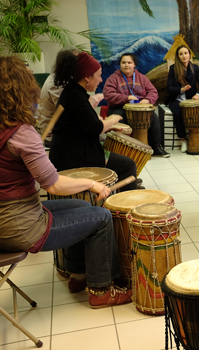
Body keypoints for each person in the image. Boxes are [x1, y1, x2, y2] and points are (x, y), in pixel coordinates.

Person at [0, 56, 132, 308]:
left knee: (81, 208)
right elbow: (53, 185)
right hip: (19, 227)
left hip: (10, 218)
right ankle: (102, 290)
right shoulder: (21, 133)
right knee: (101, 218)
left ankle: (78, 273)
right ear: (23, 88)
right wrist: (92, 184)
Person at [48, 50, 137, 191]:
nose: (101, 80)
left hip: (72, 152)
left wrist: (108, 126)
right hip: (73, 158)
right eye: (99, 76)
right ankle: (121, 207)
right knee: (129, 165)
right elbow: (96, 127)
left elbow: (85, 123)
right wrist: (113, 119)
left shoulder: (74, 92)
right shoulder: (75, 96)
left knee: (124, 163)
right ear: (87, 78)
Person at [103, 53, 169, 157]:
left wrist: (147, 100)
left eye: (129, 62)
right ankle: (122, 152)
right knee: (119, 119)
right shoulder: (113, 78)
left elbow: (153, 92)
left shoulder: (142, 78)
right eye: (123, 62)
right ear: (120, 64)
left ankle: (156, 147)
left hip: (139, 109)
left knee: (153, 117)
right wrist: (126, 98)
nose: (126, 65)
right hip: (119, 108)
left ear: (134, 65)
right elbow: (108, 94)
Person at [166, 45, 199, 153]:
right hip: (176, 99)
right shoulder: (173, 69)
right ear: (178, 56)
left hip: (190, 100)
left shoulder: (195, 68)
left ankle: (198, 138)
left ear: (189, 55)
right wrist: (181, 89)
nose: (184, 56)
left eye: (186, 53)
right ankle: (183, 139)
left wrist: (198, 94)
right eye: (181, 54)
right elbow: (169, 88)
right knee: (178, 113)